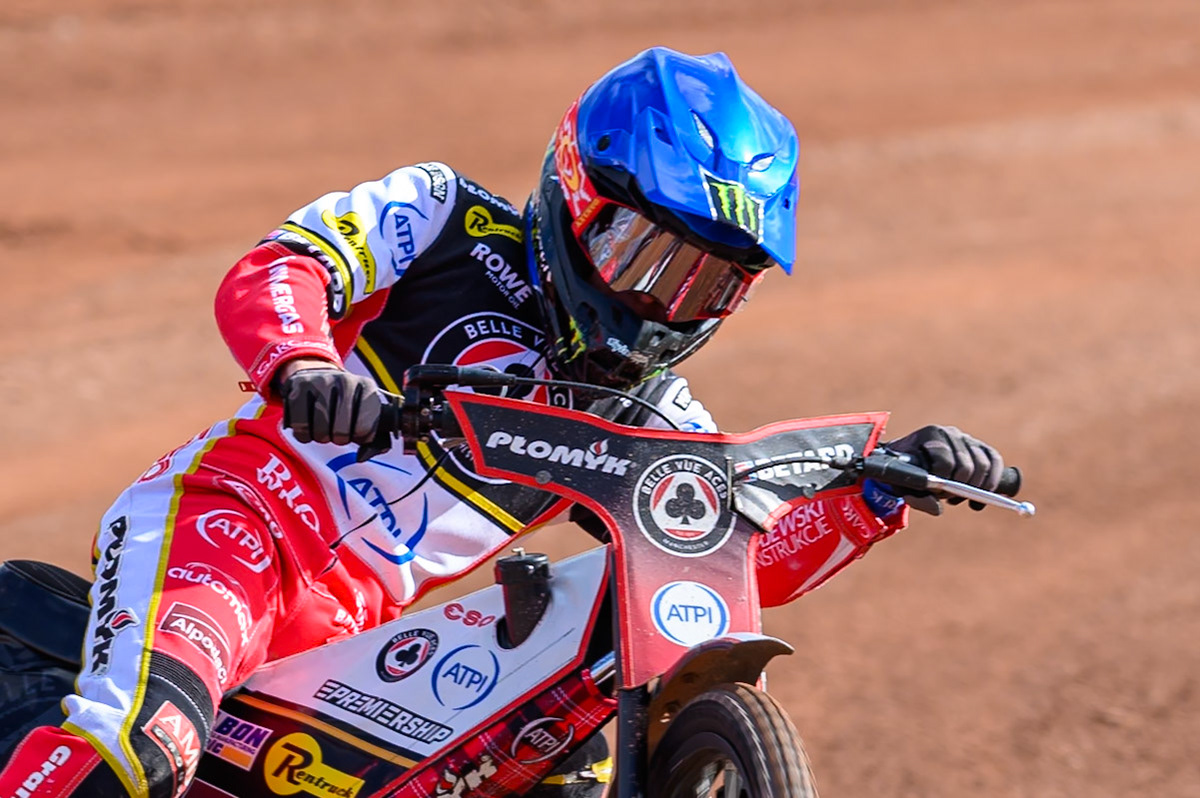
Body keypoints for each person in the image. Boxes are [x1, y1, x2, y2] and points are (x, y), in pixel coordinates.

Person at [0, 47, 1003, 797]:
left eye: (701, 284)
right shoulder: (441, 216)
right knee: (143, 746)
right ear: (577, 192)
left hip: (349, 640)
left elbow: (723, 566)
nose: (660, 302)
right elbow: (282, 267)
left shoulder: (652, 409)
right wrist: (303, 364)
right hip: (231, 530)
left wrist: (871, 497)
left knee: (564, 761)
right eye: (643, 253)